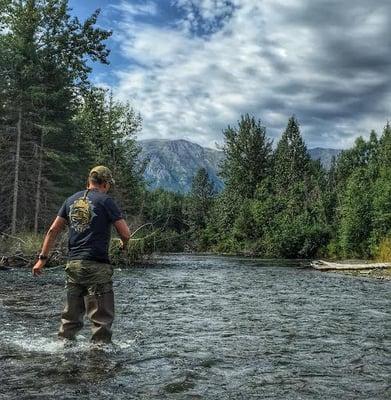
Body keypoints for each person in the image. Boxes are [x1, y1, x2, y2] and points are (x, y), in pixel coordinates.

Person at [32, 166, 131, 343]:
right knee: (101, 320)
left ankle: (64, 352)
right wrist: (124, 244)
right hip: (97, 267)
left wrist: (41, 260)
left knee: (70, 319)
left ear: (89, 181)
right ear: (106, 184)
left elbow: (53, 230)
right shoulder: (106, 201)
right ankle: (98, 360)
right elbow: (125, 233)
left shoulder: (70, 200)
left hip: (74, 266)